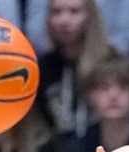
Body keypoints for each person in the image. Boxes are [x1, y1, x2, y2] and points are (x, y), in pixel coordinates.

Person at [35, 0, 114, 141]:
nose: (64, 20)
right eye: (56, 12)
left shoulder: (111, 62)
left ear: (91, 16)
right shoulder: (43, 67)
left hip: (104, 151)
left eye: (74, 11)